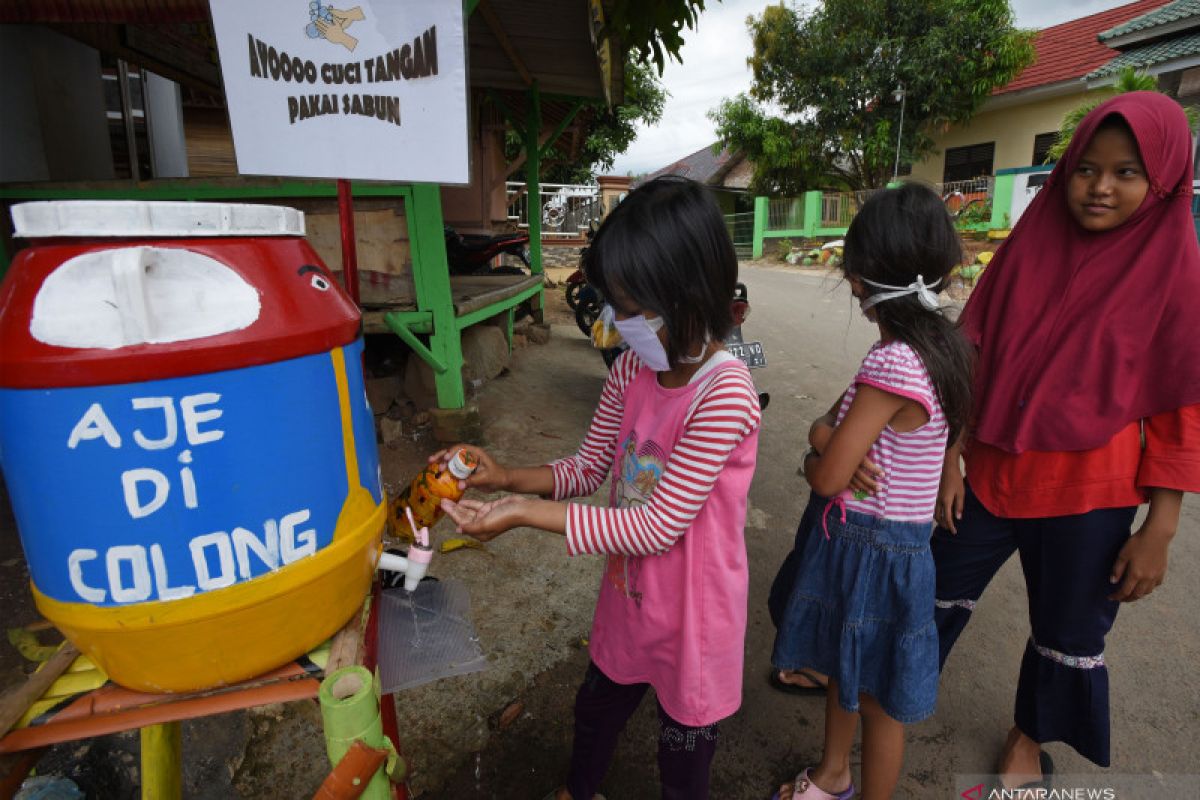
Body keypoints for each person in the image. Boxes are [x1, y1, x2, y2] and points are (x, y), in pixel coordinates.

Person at [437, 175, 762, 800]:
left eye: (627, 304)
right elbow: (588, 467)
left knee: (683, 759)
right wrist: (504, 475)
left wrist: (525, 513)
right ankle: (577, 790)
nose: (615, 319)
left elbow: (656, 526)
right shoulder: (636, 366)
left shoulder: (724, 392)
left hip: (694, 618)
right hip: (630, 597)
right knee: (595, 714)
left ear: (684, 293)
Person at [933, 91, 1200, 790]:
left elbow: (1179, 404)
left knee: (1068, 629)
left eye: (1127, 172)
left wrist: (1161, 526)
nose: (1101, 187)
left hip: (1092, 492)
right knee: (927, 589)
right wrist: (949, 458)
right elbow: (974, 354)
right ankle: (884, 702)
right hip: (988, 472)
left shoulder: (1174, 276)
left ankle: (1028, 737)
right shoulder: (1030, 244)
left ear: (1164, 181)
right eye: (1087, 168)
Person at [771, 182, 974, 800]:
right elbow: (830, 421)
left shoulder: (891, 363)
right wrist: (827, 439)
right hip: (901, 549)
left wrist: (818, 456)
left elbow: (829, 472)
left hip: (868, 547)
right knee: (852, 673)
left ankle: (849, 783)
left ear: (859, 280)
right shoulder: (941, 349)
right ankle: (834, 775)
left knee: (875, 693)